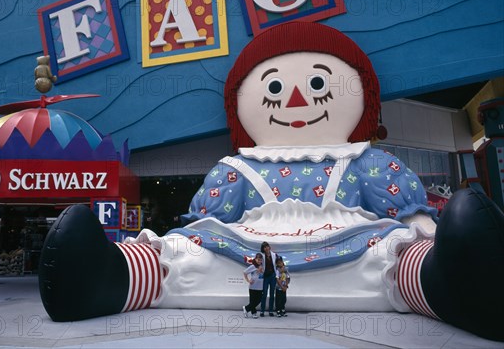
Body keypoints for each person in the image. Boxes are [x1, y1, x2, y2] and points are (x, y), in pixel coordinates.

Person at [39, 21, 504, 342]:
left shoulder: (364, 161)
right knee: (183, 254)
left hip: (354, 237)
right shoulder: (237, 168)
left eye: (319, 85)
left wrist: (423, 230)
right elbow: (206, 222)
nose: (298, 99)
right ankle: (109, 280)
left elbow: (408, 215)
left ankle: (449, 283)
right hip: (243, 245)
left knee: (394, 256)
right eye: (275, 88)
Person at [242, 253, 264, 318]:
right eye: (258, 260)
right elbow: (245, 272)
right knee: (252, 300)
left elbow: (264, 274)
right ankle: (253, 313)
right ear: (255, 259)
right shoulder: (253, 266)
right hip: (253, 286)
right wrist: (248, 280)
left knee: (258, 300)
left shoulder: (262, 266)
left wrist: (261, 271)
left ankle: (246, 308)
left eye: (260, 260)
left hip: (260, 287)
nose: (259, 261)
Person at [259, 242, 277, 317]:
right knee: (264, 294)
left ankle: (270, 311)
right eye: (264, 247)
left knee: (272, 294)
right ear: (263, 249)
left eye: (267, 246)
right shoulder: (261, 255)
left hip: (273, 276)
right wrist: (259, 267)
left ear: (269, 247)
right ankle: (262, 311)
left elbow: (279, 262)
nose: (266, 248)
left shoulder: (274, 255)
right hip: (265, 276)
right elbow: (254, 261)